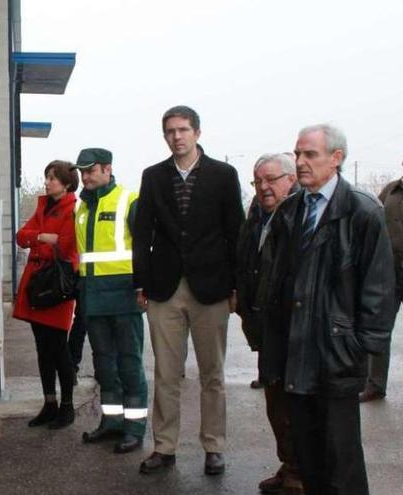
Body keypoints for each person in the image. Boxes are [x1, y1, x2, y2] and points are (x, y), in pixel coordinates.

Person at [264, 124, 394, 494]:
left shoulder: (363, 211)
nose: (301, 162)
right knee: (308, 459)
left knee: (342, 461)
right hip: (296, 352)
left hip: (337, 354)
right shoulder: (290, 210)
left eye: (310, 155)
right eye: (298, 154)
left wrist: (361, 346)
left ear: (336, 159)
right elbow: (278, 282)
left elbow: (379, 288)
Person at [133, 105, 244, 475]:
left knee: (212, 373)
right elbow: (142, 234)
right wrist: (141, 283)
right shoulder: (152, 177)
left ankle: (214, 446)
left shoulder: (223, 175)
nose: (176, 137)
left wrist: (236, 286)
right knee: (166, 373)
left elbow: (235, 233)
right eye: (169, 131)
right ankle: (164, 447)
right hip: (164, 289)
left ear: (197, 132)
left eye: (182, 130)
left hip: (211, 288)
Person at [73, 147, 148, 454]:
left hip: (123, 295)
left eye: (90, 171)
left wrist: (143, 287)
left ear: (107, 169)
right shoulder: (82, 207)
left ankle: (134, 428)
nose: (85, 177)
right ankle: (111, 422)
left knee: (129, 364)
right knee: (104, 364)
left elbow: (146, 247)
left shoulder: (128, 200)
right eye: (82, 172)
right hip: (92, 296)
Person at [236, 153, 303, 494]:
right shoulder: (257, 216)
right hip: (265, 328)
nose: (263, 187)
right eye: (257, 180)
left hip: (291, 330)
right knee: (275, 404)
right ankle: (289, 464)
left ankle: (300, 475)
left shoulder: (300, 215)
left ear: (291, 179)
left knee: (293, 407)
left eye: (271, 179)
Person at [13, 160, 80, 429]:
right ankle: (49, 403)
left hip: (57, 285)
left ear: (66, 183)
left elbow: (65, 245)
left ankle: (67, 406)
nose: (47, 181)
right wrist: (43, 236)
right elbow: (21, 236)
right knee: (42, 348)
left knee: (59, 348)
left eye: (53, 178)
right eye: (47, 177)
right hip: (38, 284)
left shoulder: (72, 209)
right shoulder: (43, 206)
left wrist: (38, 237)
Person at [360, 145, 403, 405]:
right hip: (388, 274)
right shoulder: (391, 189)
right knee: (379, 329)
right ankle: (375, 385)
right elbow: (373, 219)